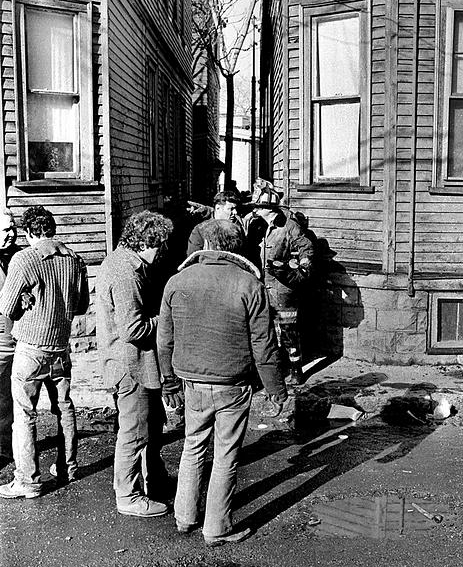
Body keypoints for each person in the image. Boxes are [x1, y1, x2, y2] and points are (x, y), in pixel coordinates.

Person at [157, 219, 287, 546]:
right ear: (236, 247)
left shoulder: (177, 281)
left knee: (193, 445)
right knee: (226, 454)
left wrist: (169, 384)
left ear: (207, 244)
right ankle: (216, 527)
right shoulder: (249, 286)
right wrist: (275, 390)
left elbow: (164, 341)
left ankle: (185, 516)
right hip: (233, 383)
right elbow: (264, 344)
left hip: (191, 383)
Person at [96, 210, 180, 519]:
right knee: (133, 431)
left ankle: (152, 478)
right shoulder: (125, 272)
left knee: (149, 423)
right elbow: (132, 329)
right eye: (160, 246)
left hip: (133, 362)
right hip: (129, 364)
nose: (161, 253)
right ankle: (128, 495)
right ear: (146, 241)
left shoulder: (125, 263)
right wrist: (165, 319)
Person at [0, 206, 89, 498]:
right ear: (52, 229)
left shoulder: (24, 258)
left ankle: (27, 480)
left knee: (24, 414)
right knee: (63, 406)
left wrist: (27, 299)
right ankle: (68, 467)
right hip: (61, 347)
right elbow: (81, 306)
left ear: (29, 232)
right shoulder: (75, 260)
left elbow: (5, 308)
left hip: (31, 348)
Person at [245, 181, 314, 385]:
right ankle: (271, 369)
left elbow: (306, 248)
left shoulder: (289, 226)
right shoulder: (254, 224)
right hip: (259, 286)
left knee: (288, 329)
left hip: (283, 288)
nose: (254, 210)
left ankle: (295, 370)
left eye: (258, 207)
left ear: (269, 210)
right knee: (262, 330)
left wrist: (302, 266)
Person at [0, 210, 18, 466]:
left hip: (16, 339)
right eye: (5, 230)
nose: (11, 234)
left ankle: (5, 447)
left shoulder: (17, 256)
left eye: (13, 228)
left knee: (8, 398)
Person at [186, 190, 241, 255]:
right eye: (231, 209)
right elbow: (193, 258)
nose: (235, 212)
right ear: (218, 208)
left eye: (235, 209)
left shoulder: (237, 228)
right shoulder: (200, 230)